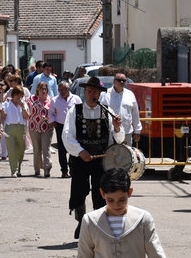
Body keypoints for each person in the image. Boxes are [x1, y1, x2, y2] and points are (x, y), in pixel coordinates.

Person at [64, 76, 125, 240]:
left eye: (95, 92)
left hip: (101, 160)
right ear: (85, 92)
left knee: (101, 193)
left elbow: (118, 139)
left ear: (99, 94)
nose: (93, 94)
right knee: (78, 192)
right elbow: (67, 136)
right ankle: (81, 223)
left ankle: (99, 225)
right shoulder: (75, 111)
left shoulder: (107, 111)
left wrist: (117, 128)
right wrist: (80, 151)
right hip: (80, 160)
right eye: (89, 91)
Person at [49, 80, 82, 179]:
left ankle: (73, 168)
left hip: (74, 126)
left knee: (74, 147)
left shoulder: (76, 99)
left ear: (68, 89)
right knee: (62, 149)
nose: (62, 91)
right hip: (60, 126)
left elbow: (81, 111)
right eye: (60, 90)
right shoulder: (54, 100)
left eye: (64, 89)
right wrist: (53, 122)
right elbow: (50, 113)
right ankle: (64, 171)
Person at [107, 72, 142, 147]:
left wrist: (137, 131)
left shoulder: (130, 94)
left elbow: (135, 113)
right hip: (110, 133)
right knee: (111, 154)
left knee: (126, 154)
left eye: (124, 80)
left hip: (127, 133)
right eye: (119, 80)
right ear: (114, 81)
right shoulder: (105, 94)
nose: (122, 82)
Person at [1, 87, 29, 178]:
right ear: (13, 94)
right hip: (10, 128)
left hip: (21, 128)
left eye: (20, 94)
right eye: (17, 94)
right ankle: (14, 170)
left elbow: (26, 117)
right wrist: (1, 126)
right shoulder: (6, 104)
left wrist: (23, 107)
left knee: (21, 150)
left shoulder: (23, 104)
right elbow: (3, 116)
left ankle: (18, 168)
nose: (18, 96)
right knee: (11, 150)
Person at [28, 82, 54, 178]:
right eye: (41, 89)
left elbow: (54, 112)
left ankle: (47, 169)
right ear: (37, 90)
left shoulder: (51, 100)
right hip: (34, 127)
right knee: (37, 149)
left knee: (46, 148)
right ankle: (37, 169)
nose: (43, 91)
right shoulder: (31, 99)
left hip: (47, 127)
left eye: (45, 89)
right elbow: (24, 107)